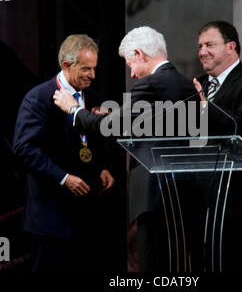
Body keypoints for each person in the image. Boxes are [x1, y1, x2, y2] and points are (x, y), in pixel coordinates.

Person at [53, 26, 198, 272]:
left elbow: (111, 128)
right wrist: (117, 115)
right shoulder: (185, 84)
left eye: (130, 63)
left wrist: (74, 110)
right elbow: (157, 126)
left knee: (152, 265)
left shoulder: (149, 84)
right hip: (183, 193)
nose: (131, 73)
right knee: (178, 265)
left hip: (153, 196)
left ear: (139, 54)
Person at [13, 34, 115, 272]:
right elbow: (24, 149)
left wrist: (102, 166)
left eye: (94, 69)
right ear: (66, 65)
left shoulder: (93, 97)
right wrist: (63, 177)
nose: (92, 76)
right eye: (86, 69)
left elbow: (93, 141)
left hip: (86, 215)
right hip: (50, 218)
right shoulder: (38, 98)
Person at [191, 20, 242, 271]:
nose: (202, 51)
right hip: (203, 206)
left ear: (231, 47)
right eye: (200, 46)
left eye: (209, 45)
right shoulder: (196, 86)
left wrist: (206, 107)